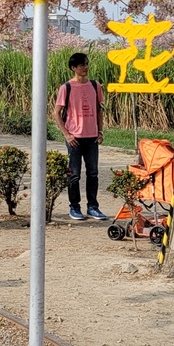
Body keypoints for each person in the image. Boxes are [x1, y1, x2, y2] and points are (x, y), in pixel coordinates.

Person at [52, 52, 106, 221]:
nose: (86, 67)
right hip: (74, 138)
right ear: (73, 68)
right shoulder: (66, 87)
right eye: (82, 65)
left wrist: (100, 131)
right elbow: (56, 113)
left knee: (93, 173)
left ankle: (93, 207)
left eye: (87, 64)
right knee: (74, 174)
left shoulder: (95, 85)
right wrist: (67, 134)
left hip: (92, 137)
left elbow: (99, 109)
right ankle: (74, 207)